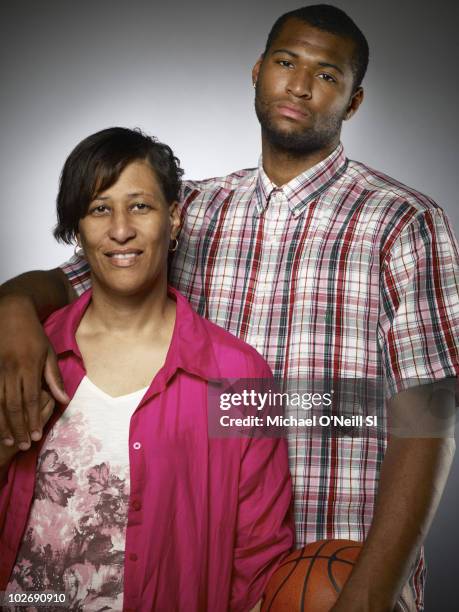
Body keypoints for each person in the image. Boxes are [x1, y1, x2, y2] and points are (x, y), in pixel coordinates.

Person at [0, 3, 458, 611]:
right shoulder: (190, 208)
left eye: (327, 75)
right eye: (286, 62)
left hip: (334, 570)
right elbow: (67, 281)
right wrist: (10, 310)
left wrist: (368, 596)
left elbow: (429, 415)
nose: (299, 84)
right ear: (256, 71)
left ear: (353, 102)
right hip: (202, 560)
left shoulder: (402, 222)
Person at [0, 127, 294, 611]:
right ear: (78, 228)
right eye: (99, 209)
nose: (120, 230)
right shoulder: (34, 350)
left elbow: (258, 562)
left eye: (140, 206)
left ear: (174, 218)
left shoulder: (239, 376)